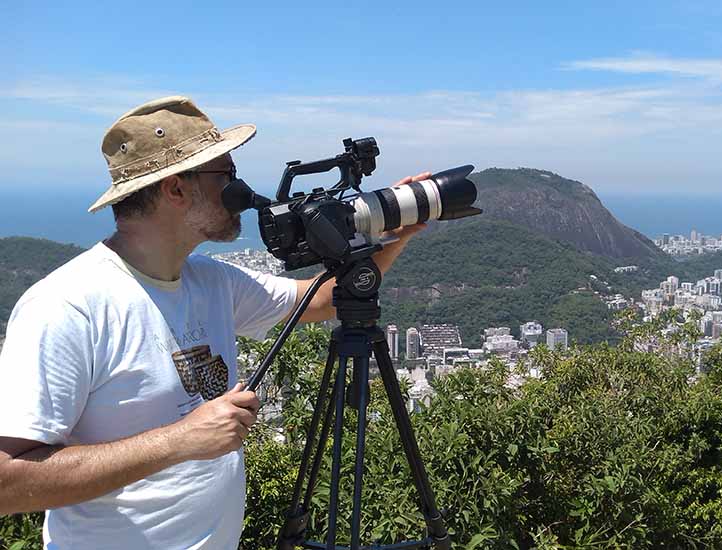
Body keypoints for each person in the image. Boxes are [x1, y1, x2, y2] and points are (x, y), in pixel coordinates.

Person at [0, 96, 427, 549]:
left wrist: (394, 232)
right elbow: (7, 482)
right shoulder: (69, 306)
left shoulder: (210, 280)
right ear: (176, 189)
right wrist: (179, 441)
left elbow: (321, 301)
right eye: (226, 175)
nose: (240, 190)